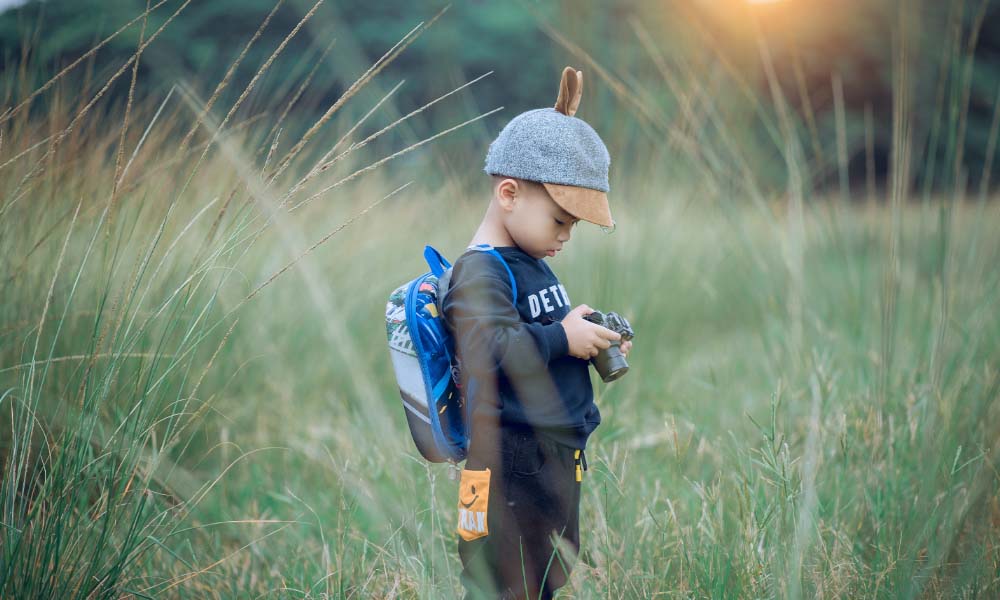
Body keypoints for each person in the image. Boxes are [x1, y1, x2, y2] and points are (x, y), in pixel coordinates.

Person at [441, 66, 634, 600]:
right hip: (507, 464)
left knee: (545, 578)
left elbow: (536, 334)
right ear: (509, 193)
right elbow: (490, 349)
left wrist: (589, 335)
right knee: (506, 586)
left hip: (548, 459)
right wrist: (561, 338)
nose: (567, 236)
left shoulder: (528, 257)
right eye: (561, 220)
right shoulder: (480, 271)